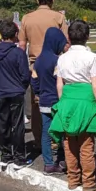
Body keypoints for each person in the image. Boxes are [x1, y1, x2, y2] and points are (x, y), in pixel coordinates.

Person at [48, 20, 96, 191]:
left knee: (69, 144)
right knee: (86, 146)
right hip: (86, 101)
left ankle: (73, 179)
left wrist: (62, 103)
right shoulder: (92, 57)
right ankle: (88, 182)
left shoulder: (62, 58)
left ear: (68, 37)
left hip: (67, 100)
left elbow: (59, 84)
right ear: (87, 36)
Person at [18, 0, 69, 153]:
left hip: (35, 65)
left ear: (37, 0)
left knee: (37, 104)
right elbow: (66, 45)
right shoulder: (59, 17)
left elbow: (22, 45)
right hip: (56, 65)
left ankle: (40, 140)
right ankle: (55, 141)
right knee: (57, 102)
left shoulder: (26, 18)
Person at [0, 20, 31, 169]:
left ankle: (5, 155)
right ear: (15, 34)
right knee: (17, 125)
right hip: (16, 92)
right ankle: (19, 157)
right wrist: (22, 87)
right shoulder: (18, 53)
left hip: (2, 92)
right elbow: (25, 75)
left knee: (3, 124)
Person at [31, 28, 70, 174]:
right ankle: (65, 160)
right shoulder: (57, 60)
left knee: (46, 134)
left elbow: (33, 80)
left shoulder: (39, 60)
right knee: (63, 132)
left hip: (44, 102)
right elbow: (62, 81)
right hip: (57, 102)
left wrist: (39, 93)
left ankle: (48, 164)